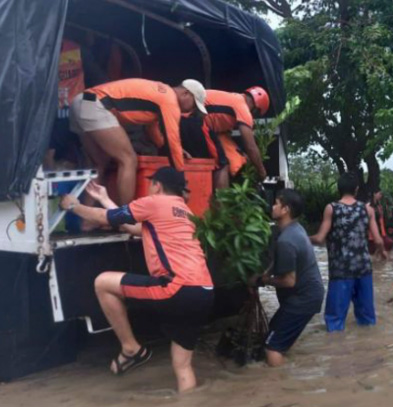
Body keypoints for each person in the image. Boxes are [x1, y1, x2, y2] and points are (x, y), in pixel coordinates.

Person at [59, 167, 214, 393]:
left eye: (151, 183)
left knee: (102, 282)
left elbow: (106, 218)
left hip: (176, 287)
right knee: (182, 366)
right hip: (204, 291)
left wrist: (73, 206)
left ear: (157, 186)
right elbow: (133, 226)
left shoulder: (154, 202)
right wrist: (104, 198)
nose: (149, 187)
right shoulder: (184, 212)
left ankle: (131, 348)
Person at [69, 78, 207, 204]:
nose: (191, 111)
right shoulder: (170, 101)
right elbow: (173, 140)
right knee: (128, 160)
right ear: (186, 94)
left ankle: (87, 223)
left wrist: (171, 148)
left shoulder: (160, 94)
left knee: (99, 163)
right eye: (194, 105)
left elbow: (152, 131)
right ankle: (125, 218)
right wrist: (181, 181)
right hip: (96, 105)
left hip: (82, 100)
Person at [254, 189, 325, 366]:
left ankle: (279, 388)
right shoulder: (295, 228)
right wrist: (266, 273)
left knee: (272, 347)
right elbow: (278, 260)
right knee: (273, 330)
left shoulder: (287, 239)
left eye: (276, 203)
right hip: (305, 296)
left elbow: (288, 281)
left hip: (302, 299)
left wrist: (263, 281)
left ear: (285, 209)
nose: (272, 206)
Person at [310, 173, 386, 332]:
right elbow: (378, 240)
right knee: (367, 319)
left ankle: (338, 351)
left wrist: (302, 236)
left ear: (339, 188)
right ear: (356, 189)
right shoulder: (367, 209)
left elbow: (319, 238)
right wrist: (382, 252)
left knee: (335, 320)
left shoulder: (331, 208)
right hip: (363, 268)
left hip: (341, 270)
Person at [202, 87, 270, 189]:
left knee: (228, 154)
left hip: (195, 118)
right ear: (255, 109)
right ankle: (221, 200)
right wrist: (262, 172)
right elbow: (251, 147)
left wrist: (242, 155)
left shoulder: (234, 98)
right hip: (196, 121)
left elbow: (222, 134)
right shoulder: (243, 108)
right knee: (222, 164)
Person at [368, 188, 393, 253]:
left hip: (382, 233)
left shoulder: (379, 205)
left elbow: (383, 219)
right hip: (371, 235)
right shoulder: (368, 206)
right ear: (374, 194)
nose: (381, 195)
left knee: (389, 243)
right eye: (379, 194)